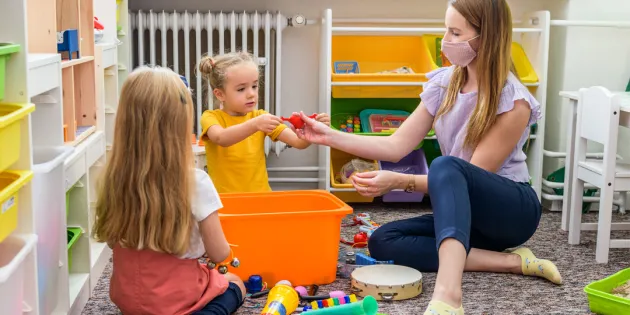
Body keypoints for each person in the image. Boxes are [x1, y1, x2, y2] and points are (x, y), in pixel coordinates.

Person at [293, 0, 562, 314]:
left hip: (510, 211)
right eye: (446, 29)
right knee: (383, 240)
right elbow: (396, 145)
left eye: (455, 32)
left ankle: (449, 296)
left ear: (485, 37)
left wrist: (400, 181)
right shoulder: (445, 83)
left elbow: (469, 177)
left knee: (446, 165)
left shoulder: (513, 100)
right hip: (468, 213)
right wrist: (325, 136)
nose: (446, 39)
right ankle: (513, 262)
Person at [92, 66, 246, 315]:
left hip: (129, 302)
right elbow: (220, 253)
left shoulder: (112, 178)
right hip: (179, 300)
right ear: (179, 126)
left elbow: (112, 242)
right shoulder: (196, 182)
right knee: (235, 284)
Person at [198, 52, 330, 193]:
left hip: (261, 196)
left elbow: (298, 143)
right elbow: (221, 138)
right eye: (241, 89)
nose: (251, 94)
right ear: (220, 94)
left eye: (254, 86)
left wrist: (308, 132)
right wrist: (255, 124)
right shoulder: (210, 117)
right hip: (225, 200)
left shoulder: (261, 117)